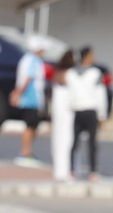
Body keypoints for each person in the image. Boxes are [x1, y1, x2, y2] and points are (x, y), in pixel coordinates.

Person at [68, 46, 107, 181]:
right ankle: (86, 171)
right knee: (84, 143)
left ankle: (78, 170)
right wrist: (102, 114)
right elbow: (101, 94)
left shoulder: (72, 73)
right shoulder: (94, 73)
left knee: (81, 142)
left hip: (82, 110)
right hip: (87, 110)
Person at [11, 38, 48, 167]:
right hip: (31, 99)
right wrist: (18, 93)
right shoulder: (33, 60)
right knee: (30, 126)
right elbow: (28, 78)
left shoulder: (26, 59)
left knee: (31, 126)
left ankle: (27, 151)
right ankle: (25, 152)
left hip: (29, 98)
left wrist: (16, 93)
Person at [50, 49, 76, 181]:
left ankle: (59, 170)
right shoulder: (70, 74)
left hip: (58, 114)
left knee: (58, 141)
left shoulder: (56, 73)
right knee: (68, 141)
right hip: (68, 113)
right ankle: (66, 170)